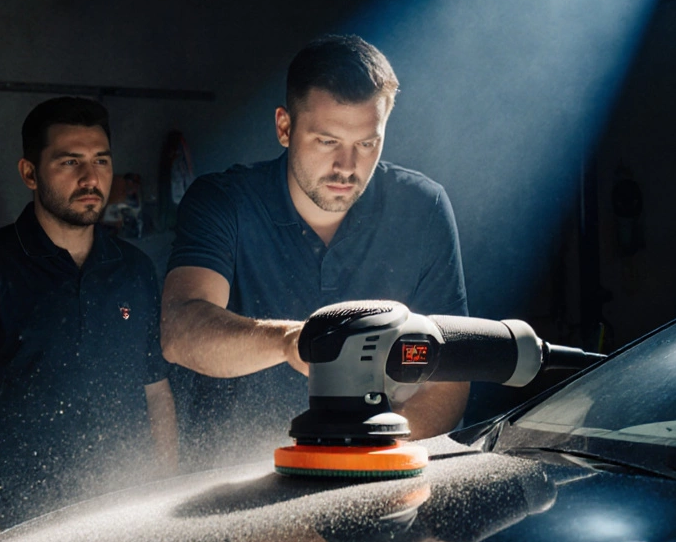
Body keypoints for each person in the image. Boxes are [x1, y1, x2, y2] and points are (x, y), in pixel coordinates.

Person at [161, 34, 468, 466]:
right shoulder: (223, 201)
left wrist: (367, 461)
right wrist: (292, 341)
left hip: (373, 479)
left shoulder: (424, 208)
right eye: (327, 141)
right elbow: (181, 328)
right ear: (285, 127)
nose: (347, 166)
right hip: (229, 492)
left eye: (366, 144)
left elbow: (450, 372)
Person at [0, 97, 178, 542]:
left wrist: (165, 504)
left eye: (101, 160)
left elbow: (156, 395)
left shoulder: (135, 271)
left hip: (125, 524)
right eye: (70, 162)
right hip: (19, 526)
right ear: (29, 173)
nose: (91, 178)